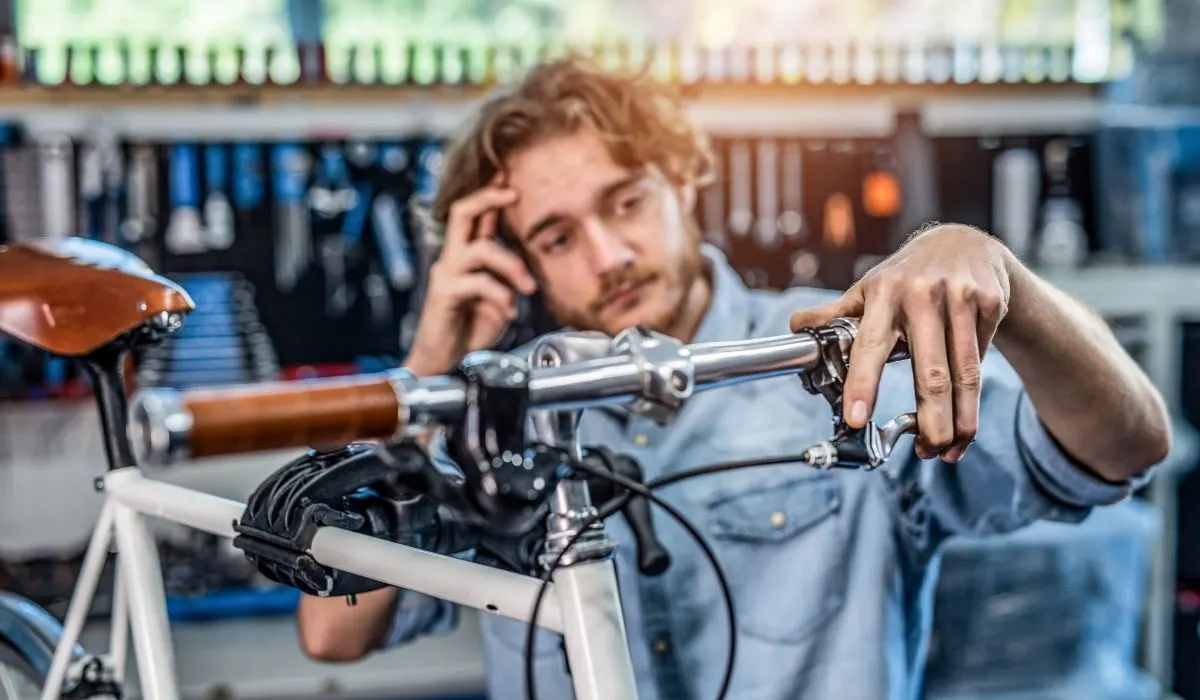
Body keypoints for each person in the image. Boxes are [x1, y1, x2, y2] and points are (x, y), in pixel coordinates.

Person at [294, 55, 1172, 699]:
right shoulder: (496, 413)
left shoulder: (840, 355)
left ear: (682, 175)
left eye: (626, 200)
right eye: (558, 237)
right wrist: (430, 364)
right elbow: (332, 633)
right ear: (516, 261)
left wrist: (1004, 279)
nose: (609, 257)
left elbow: (1124, 446)